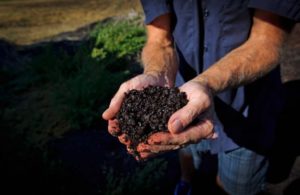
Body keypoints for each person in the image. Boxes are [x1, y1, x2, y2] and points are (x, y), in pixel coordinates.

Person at [102, 0, 298, 194]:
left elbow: (267, 42)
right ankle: (187, 180)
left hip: (246, 109)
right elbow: (159, 40)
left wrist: (206, 83)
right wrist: (156, 73)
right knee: (185, 149)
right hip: (183, 99)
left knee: (237, 185)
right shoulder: (177, 100)